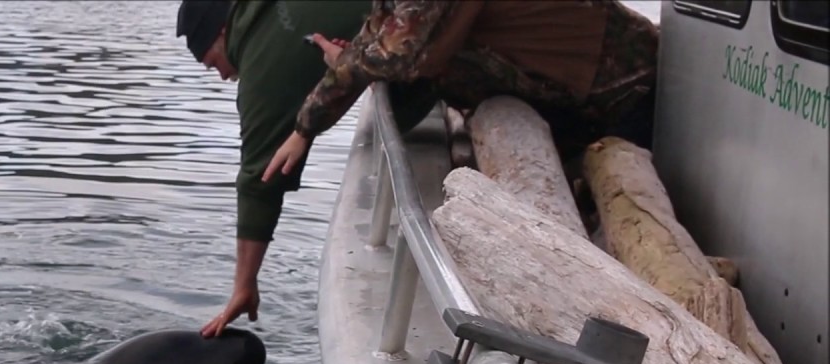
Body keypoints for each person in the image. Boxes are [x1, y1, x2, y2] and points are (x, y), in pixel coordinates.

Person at [178, 0, 436, 338]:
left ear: (223, 30)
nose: (224, 75)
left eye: (213, 63)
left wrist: (244, 285)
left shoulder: (262, 62)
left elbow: (261, 178)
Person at [264, 0, 660, 185]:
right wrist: (349, 57)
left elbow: (401, 52)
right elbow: (382, 32)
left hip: (631, 94)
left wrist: (305, 127)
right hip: (575, 103)